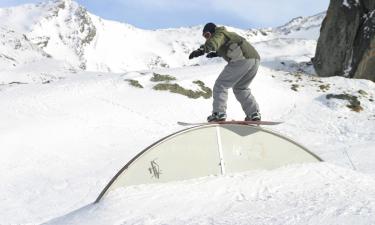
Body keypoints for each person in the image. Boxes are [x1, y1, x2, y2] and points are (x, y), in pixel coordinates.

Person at [188, 22, 261, 122]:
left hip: (242, 59)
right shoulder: (226, 35)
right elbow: (227, 45)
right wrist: (216, 54)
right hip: (254, 60)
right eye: (205, 37)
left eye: (207, 35)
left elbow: (214, 42)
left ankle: (219, 113)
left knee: (221, 84)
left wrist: (201, 50)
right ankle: (253, 113)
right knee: (241, 88)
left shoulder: (220, 32)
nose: (207, 38)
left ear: (212, 31)